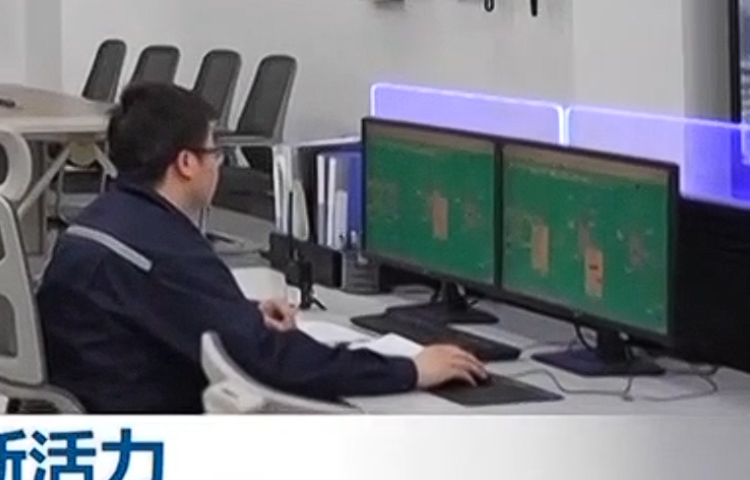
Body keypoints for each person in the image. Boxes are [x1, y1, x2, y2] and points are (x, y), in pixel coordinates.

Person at [39, 82, 489, 412]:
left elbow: (165, 307)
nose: (218, 164)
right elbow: (274, 361)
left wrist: (239, 313)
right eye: (215, 152)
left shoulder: (103, 221)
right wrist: (413, 369)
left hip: (101, 411)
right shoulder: (165, 251)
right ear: (186, 163)